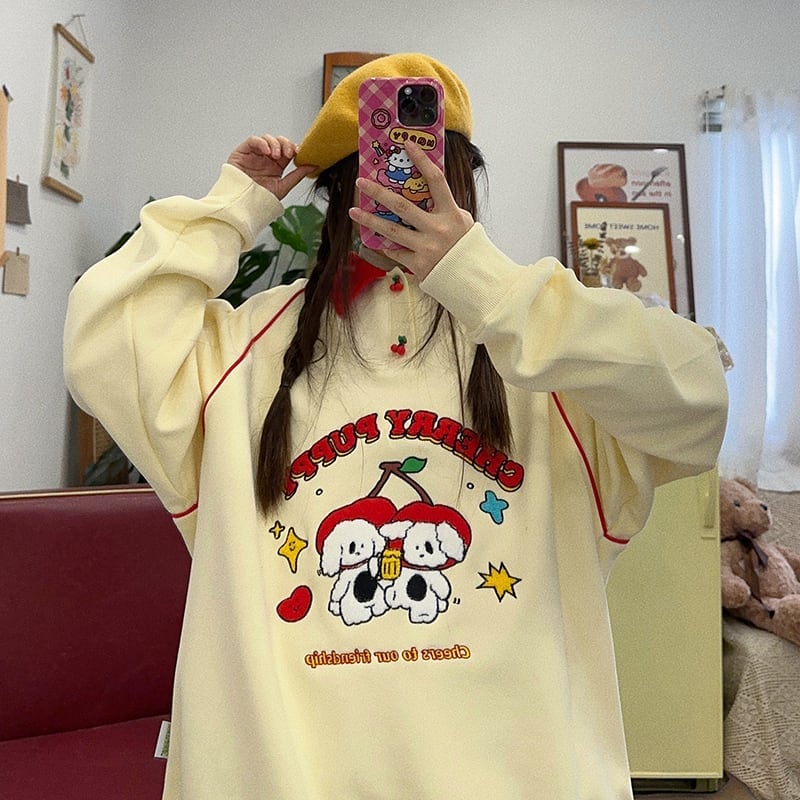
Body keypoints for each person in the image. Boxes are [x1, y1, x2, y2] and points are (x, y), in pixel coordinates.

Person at [64, 53, 728, 800]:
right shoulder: (243, 356)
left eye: (428, 165)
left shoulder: (543, 348)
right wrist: (232, 208)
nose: (402, 184)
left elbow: (697, 400)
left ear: (461, 182)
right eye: (377, 168)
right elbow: (102, 343)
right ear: (341, 192)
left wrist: (486, 284)